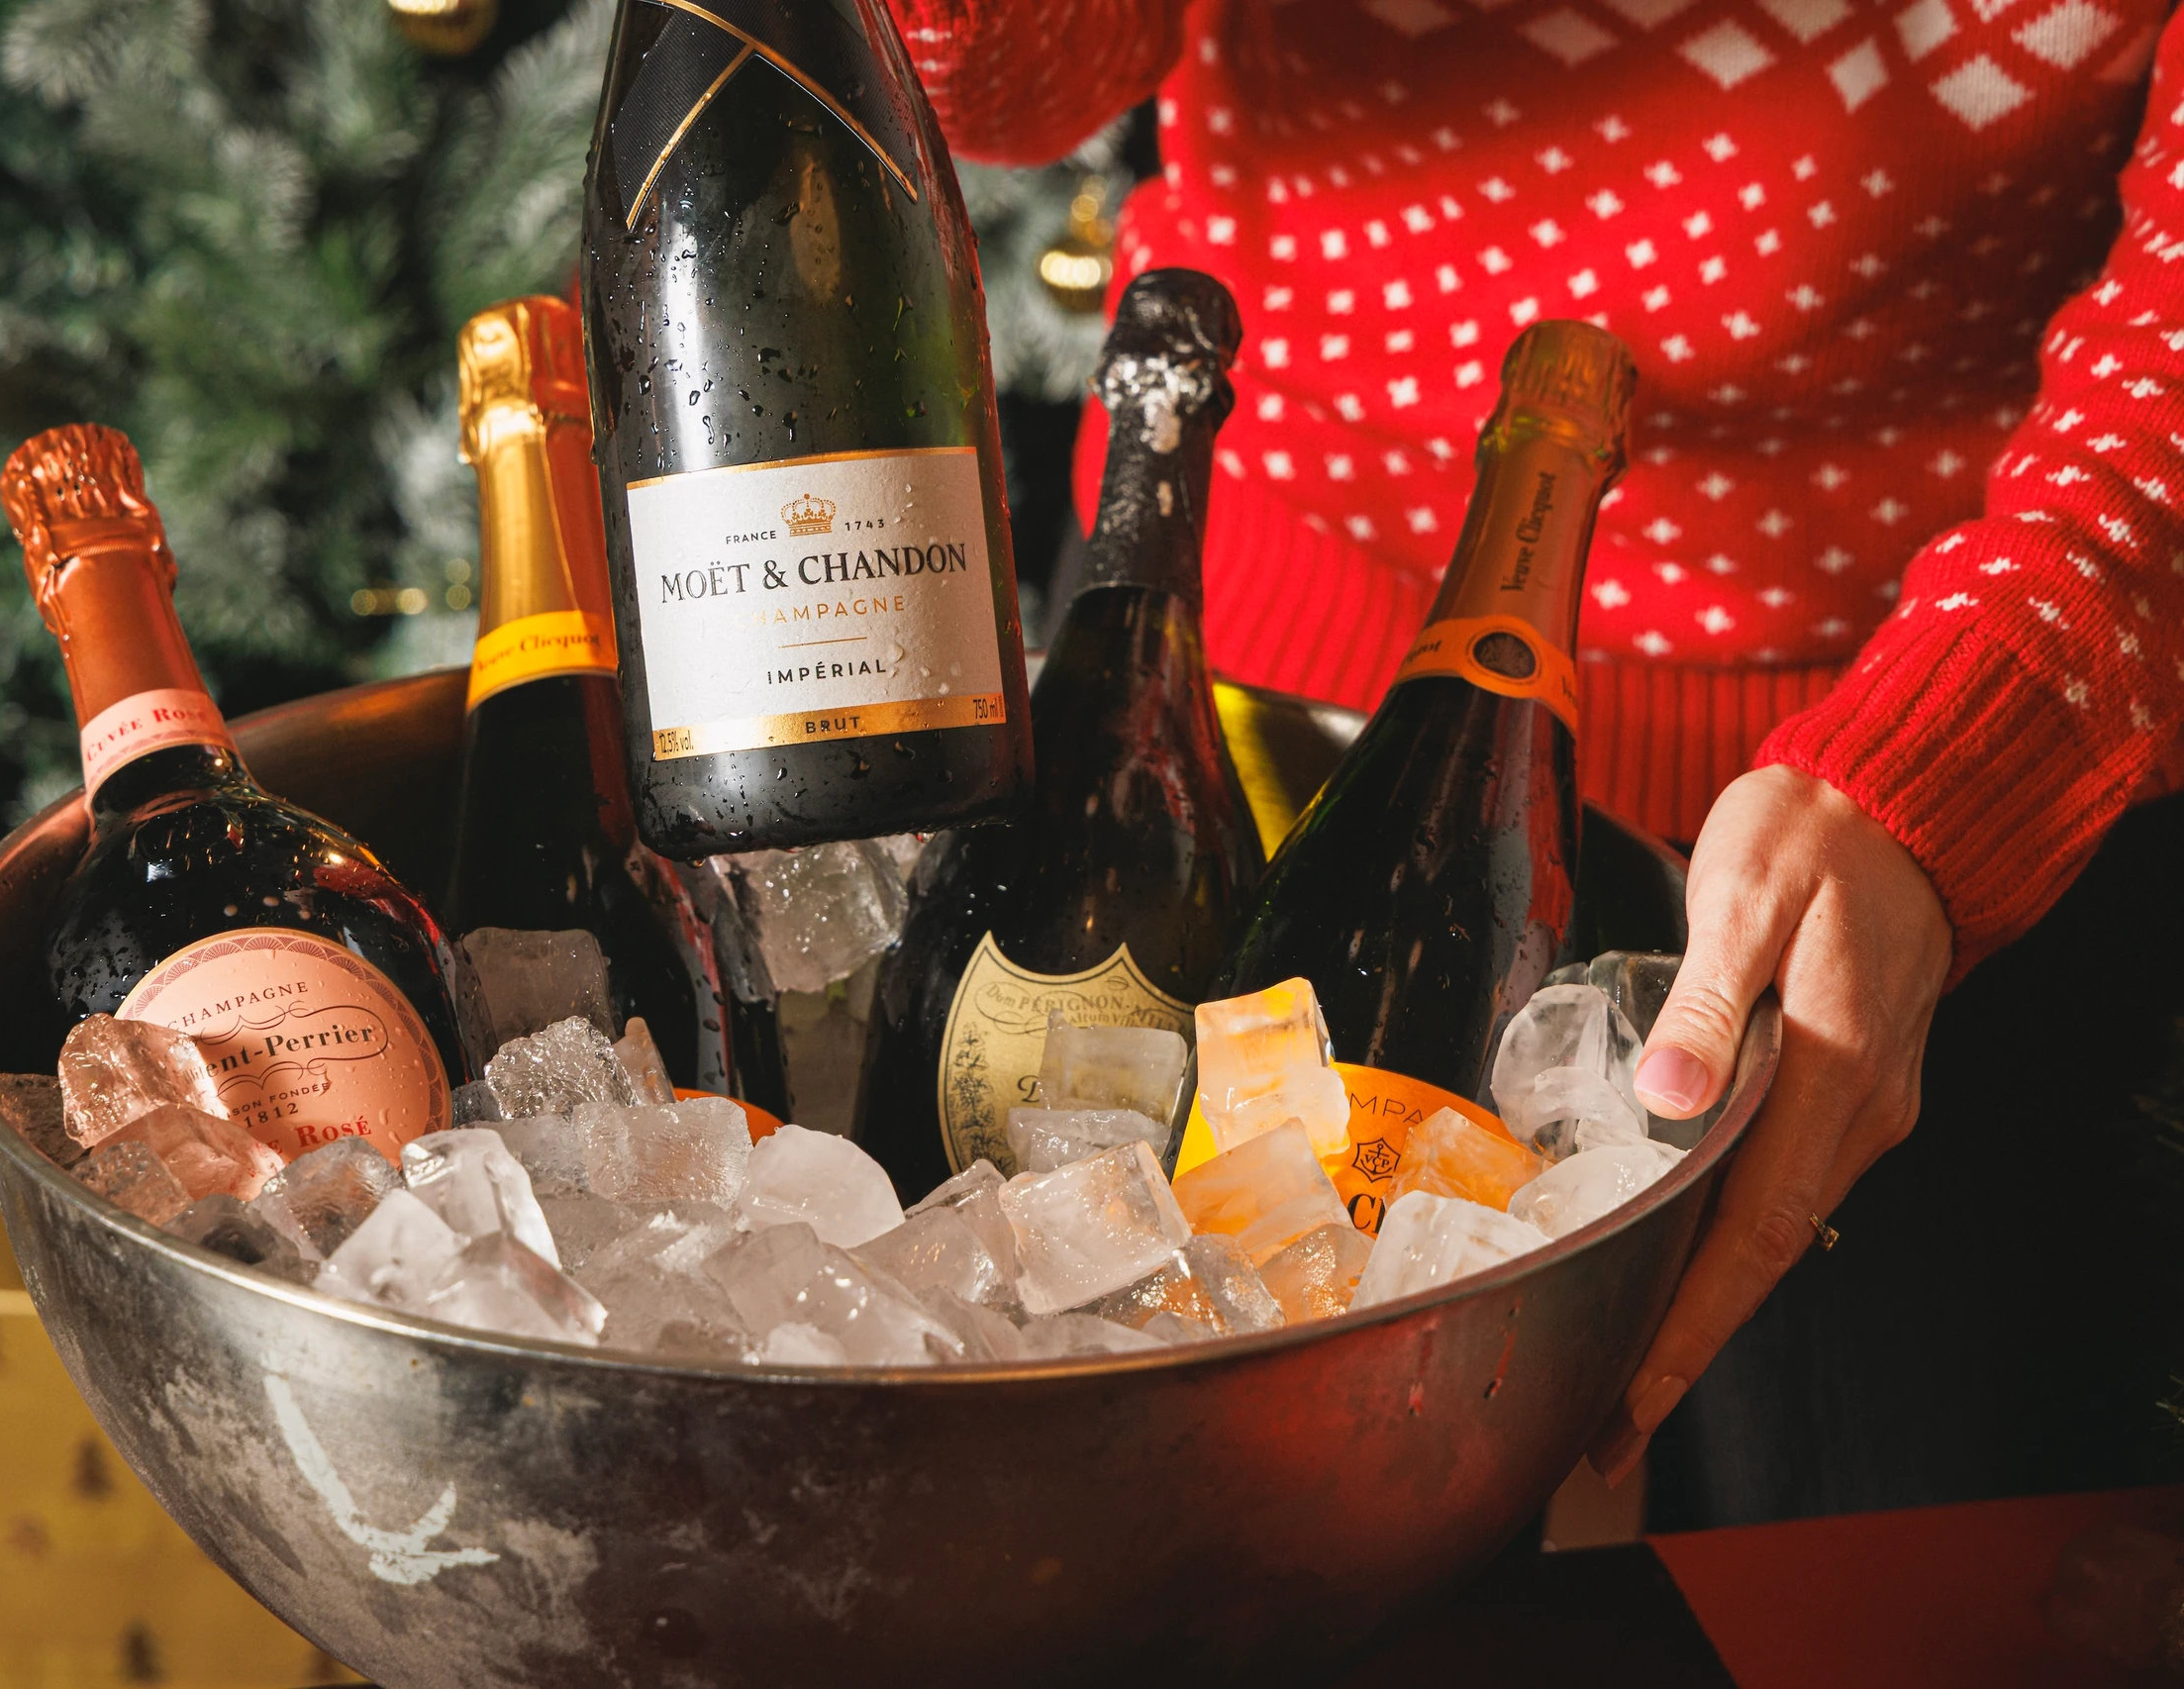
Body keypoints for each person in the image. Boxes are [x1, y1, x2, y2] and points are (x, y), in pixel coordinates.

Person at [886, 0, 2184, 1519]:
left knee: (1873, 1567)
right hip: (1253, 688)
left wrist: (1966, 741)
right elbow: (1028, 84)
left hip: (1919, 777)